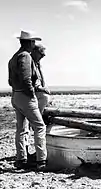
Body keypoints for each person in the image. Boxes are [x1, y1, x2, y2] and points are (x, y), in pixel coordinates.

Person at [8, 30, 47, 170]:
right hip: (25, 97)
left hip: (16, 95)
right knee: (40, 127)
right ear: (30, 42)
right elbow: (26, 79)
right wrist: (31, 94)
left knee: (21, 128)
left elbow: (10, 81)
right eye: (33, 42)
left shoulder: (14, 57)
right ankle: (41, 161)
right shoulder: (26, 56)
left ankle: (21, 159)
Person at [31, 44, 50, 114]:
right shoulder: (29, 63)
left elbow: (41, 79)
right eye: (41, 54)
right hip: (29, 92)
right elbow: (29, 81)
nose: (42, 56)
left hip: (35, 91)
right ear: (35, 51)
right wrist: (41, 88)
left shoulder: (36, 64)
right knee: (45, 97)